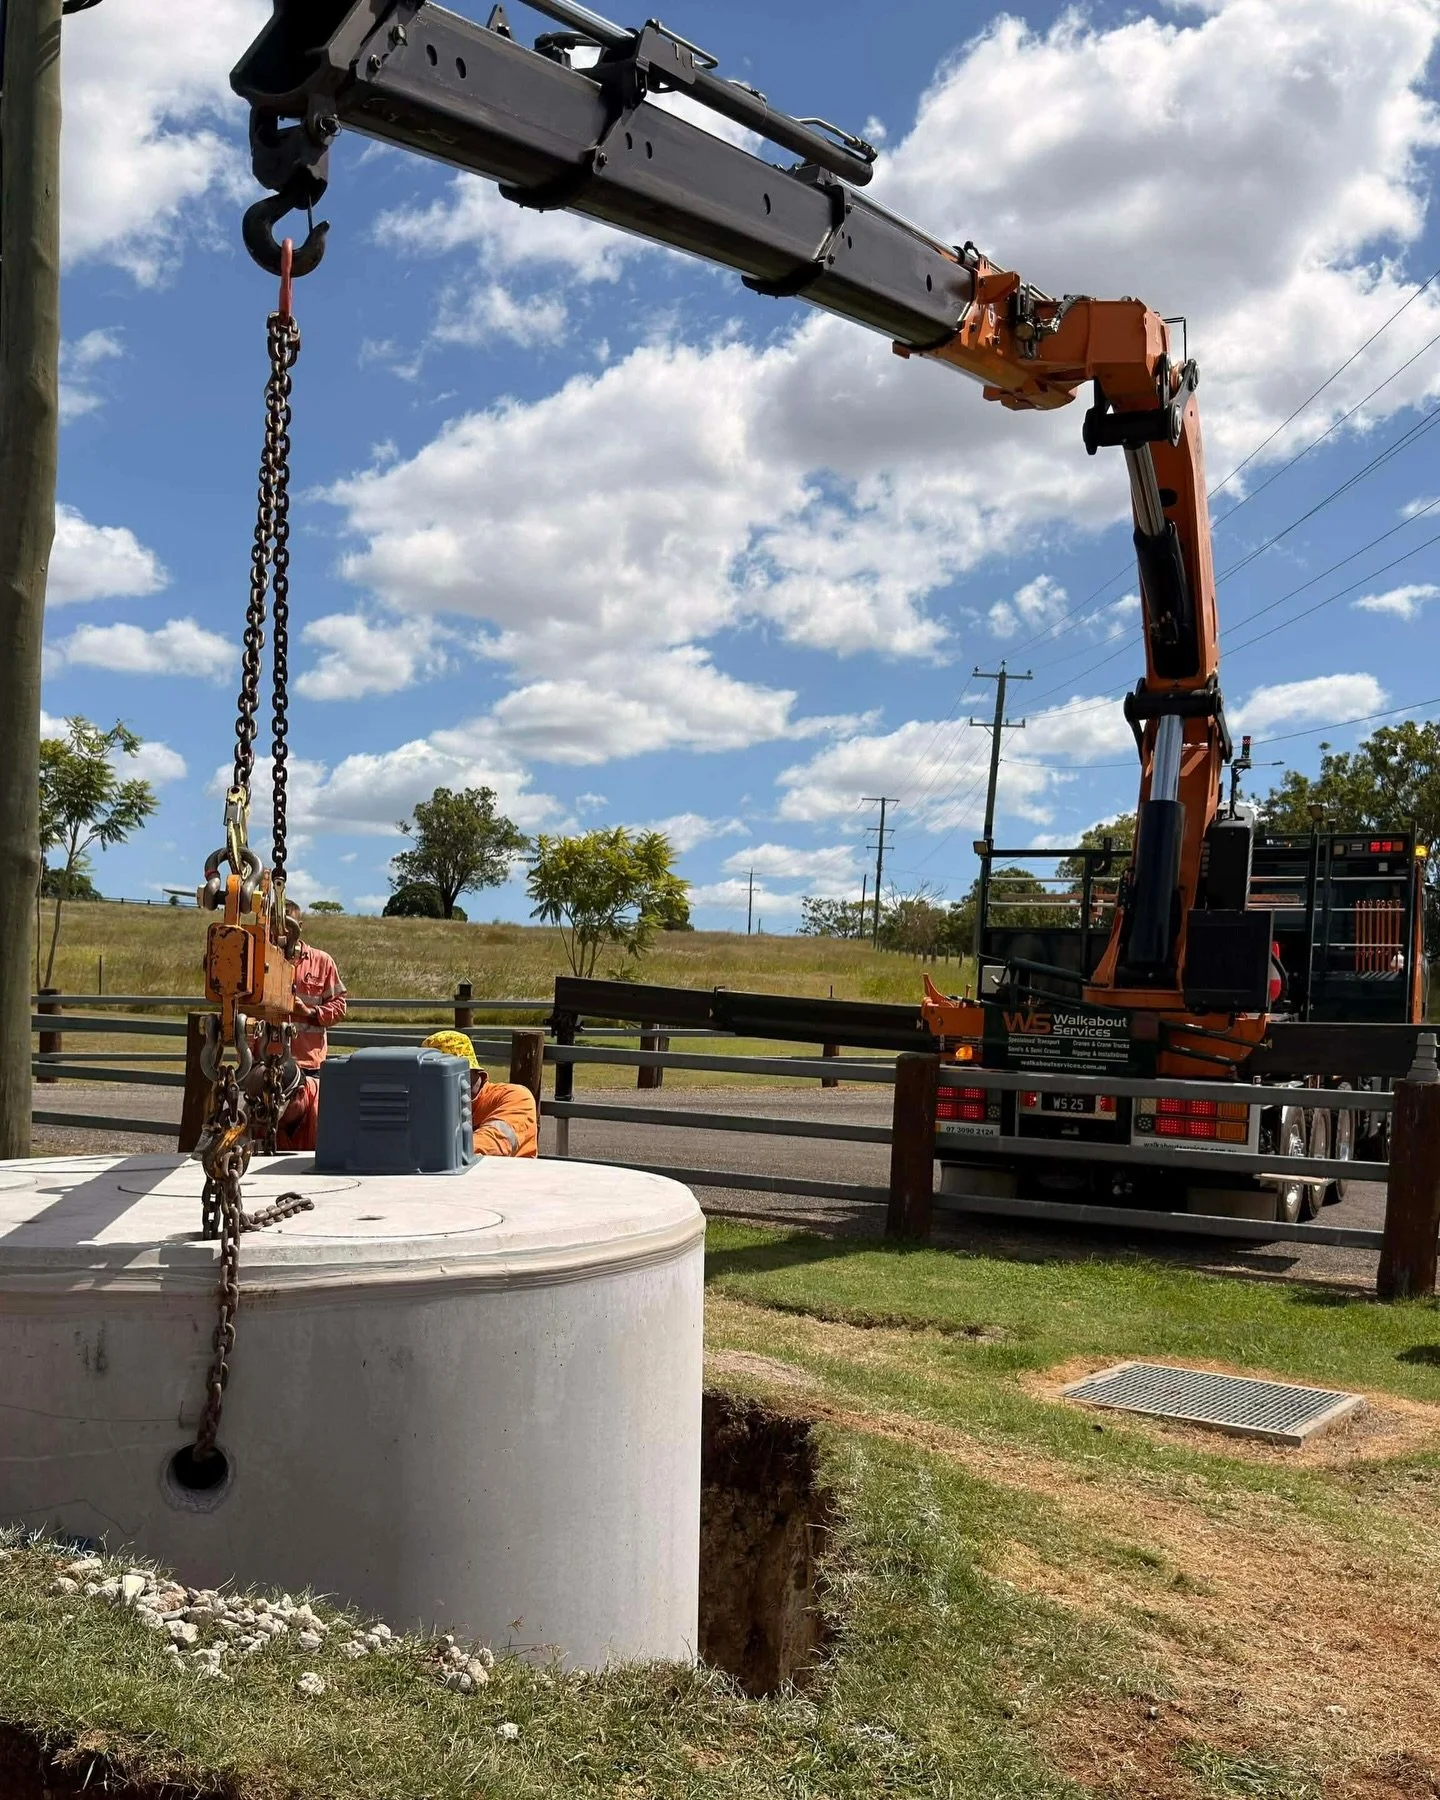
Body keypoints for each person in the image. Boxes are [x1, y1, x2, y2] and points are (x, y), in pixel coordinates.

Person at [254, 903, 347, 1153]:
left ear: (299, 927)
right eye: (275, 928)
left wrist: (309, 1012)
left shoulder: (321, 962)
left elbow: (339, 1006)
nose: (281, 934)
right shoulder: (258, 961)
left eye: (288, 927)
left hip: (310, 1066)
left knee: (313, 1127)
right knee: (264, 1125)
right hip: (268, 1063)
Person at [421, 1030, 538, 1157]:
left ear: (467, 1071)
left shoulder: (516, 1097)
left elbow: (493, 1144)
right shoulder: (431, 1105)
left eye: (441, 1077)